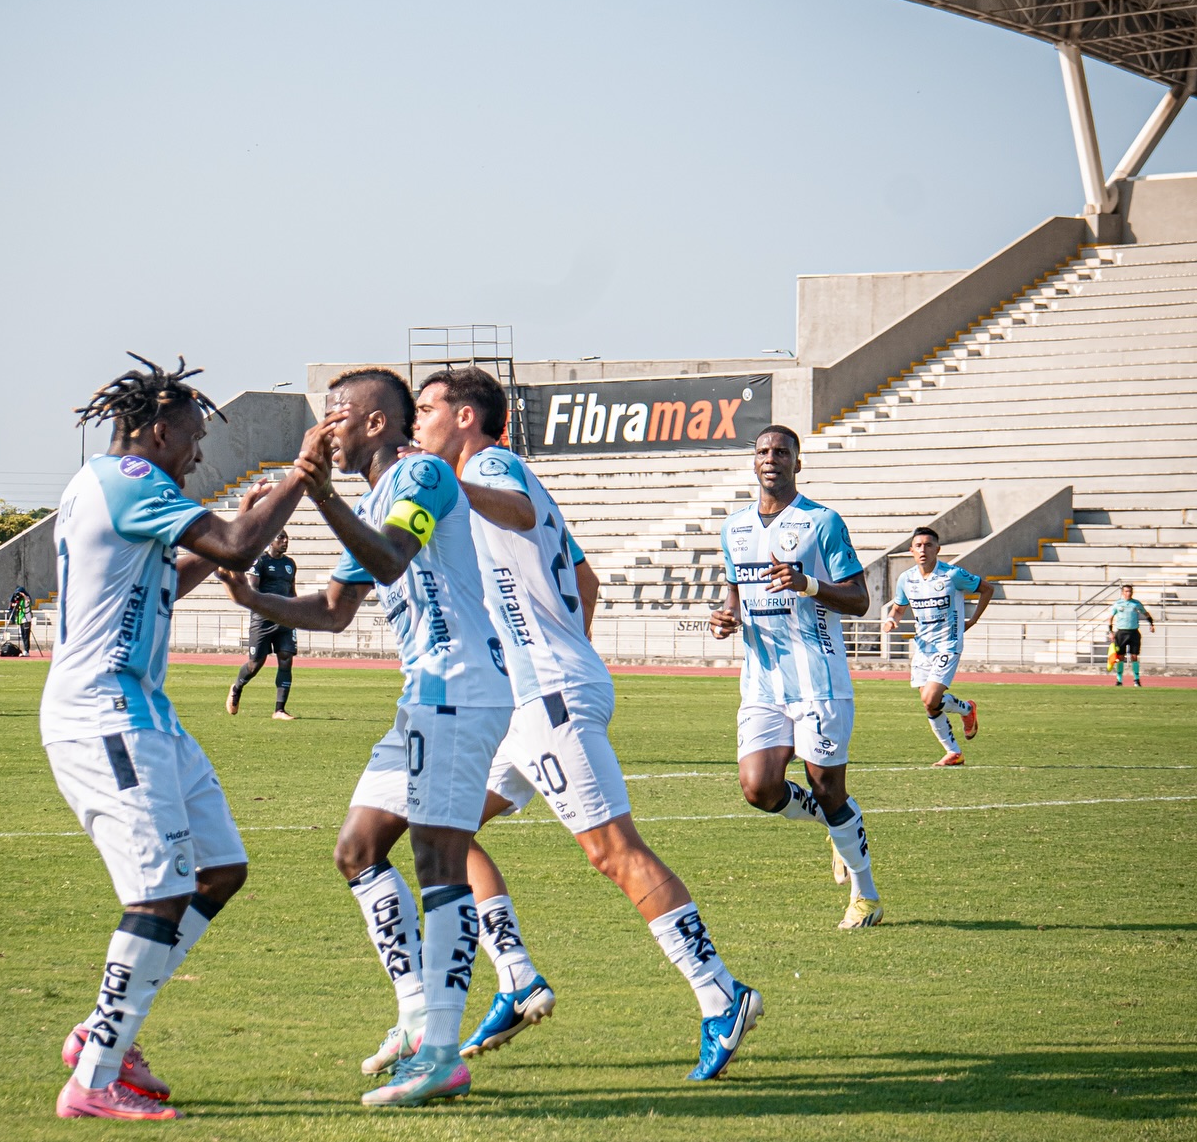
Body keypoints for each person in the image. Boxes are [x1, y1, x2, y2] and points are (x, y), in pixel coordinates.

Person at [413, 368, 763, 1081]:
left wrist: (555, 664)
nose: (418, 421)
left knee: (613, 849)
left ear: (468, 416)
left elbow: (509, 508)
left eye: (427, 409)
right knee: (441, 832)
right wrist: (567, 649)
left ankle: (721, 992)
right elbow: (588, 579)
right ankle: (514, 976)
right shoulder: (480, 473)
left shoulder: (488, 465)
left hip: (545, 694)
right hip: (533, 695)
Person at [220, 367, 512, 1109]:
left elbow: (391, 557)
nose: (323, 432)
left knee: (438, 855)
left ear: (377, 422)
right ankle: (417, 1015)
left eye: (335, 417)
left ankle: (443, 1051)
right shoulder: (374, 496)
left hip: (461, 684)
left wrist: (316, 493)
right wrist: (254, 597)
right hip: (423, 694)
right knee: (357, 848)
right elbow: (336, 607)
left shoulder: (421, 475)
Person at [43, 354, 309, 1122]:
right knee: (158, 890)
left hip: (147, 712)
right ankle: (94, 1078)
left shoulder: (112, 487)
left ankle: (105, 1030)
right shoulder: (131, 480)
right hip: (106, 713)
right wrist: (301, 474)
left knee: (219, 869)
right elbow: (228, 542)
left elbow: (189, 566)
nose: (198, 455)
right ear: (157, 431)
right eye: (192, 437)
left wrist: (262, 519)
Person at [710, 426, 884, 929]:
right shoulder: (734, 528)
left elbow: (859, 600)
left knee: (828, 786)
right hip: (761, 681)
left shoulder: (822, 523)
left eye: (781, 452)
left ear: (797, 463)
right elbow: (735, 591)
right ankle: (834, 826)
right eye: (763, 452)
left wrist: (807, 583)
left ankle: (866, 895)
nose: (771, 459)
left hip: (818, 679)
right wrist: (727, 616)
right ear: (754, 462)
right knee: (758, 788)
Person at [881, 527, 992, 767]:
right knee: (928, 702)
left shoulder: (952, 575)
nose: (923, 549)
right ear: (911, 550)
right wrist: (892, 619)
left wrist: (972, 621)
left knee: (932, 697)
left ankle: (964, 713)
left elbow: (987, 589)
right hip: (922, 647)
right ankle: (955, 749)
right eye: (918, 545)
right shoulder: (906, 579)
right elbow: (899, 607)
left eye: (928, 545)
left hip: (948, 644)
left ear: (937, 549)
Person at [226, 531, 299, 719]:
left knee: (286, 658)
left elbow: (292, 591)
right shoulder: (260, 562)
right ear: (270, 541)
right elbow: (253, 589)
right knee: (255, 664)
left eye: (287, 538)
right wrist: (270, 607)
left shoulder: (290, 564)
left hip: (285, 618)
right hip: (263, 619)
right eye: (281, 538)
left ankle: (279, 710)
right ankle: (237, 687)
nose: (285, 541)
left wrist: (297, 611)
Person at [1109, 584, 1155, 687]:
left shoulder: (1136, 603)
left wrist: (1151, 624)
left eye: (1130, 591)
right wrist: (1110, 632)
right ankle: (1119, 680)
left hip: (1134, 632)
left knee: (1134, 656)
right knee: (1120, 657)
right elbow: (1110, 617)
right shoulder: (1118, 604)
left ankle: (1136, 680)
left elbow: (1145, 613)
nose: (1128, 593)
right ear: (1122, 592)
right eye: (1126, 591)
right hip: (1121, 633)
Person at [7, 587, 34, 655]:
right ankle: (24, 650)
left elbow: (28, 601)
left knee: (26, 636)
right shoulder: (19, 600)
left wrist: (23, 595)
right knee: (23, 635)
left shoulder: (26, 598)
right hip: (21, 620)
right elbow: (13, 605)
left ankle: (27, 650)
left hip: (26, 620)